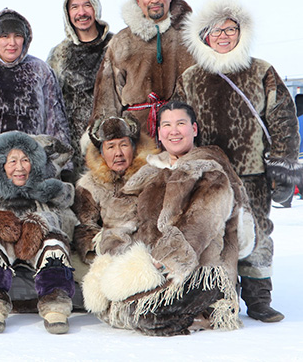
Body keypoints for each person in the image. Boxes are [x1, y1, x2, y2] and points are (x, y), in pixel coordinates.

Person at [174, 0, 300, 322]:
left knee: (258, 233)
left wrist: (283, 162)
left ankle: (259, 299)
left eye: (231, 29)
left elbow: (283, 118)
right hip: (209, 175)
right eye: (218, 30)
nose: (225, 35)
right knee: (215, 236)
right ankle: (218, 295)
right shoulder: (190, 78)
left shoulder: (262, 71)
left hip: (253, 174)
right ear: (206, 35)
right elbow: (180, 122)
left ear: (242, 33)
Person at [82, 102, 253, 336]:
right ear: (159, 133)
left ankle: (201, 306)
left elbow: (197, 226)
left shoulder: (211, 170)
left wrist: (164, 263)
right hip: (154, 265)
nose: (174, 131)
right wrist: (117, 256)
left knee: (148, 317)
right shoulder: (151, 170)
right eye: (167, 125)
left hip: (198, 268)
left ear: (194, 129)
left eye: (180, 124)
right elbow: (118, 217)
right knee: (107, 305)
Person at [0, 131, 77, 334]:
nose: (19, 167)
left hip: (36, 248)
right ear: (2, 165)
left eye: (25, 160)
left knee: (54, 245)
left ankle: (55, 305)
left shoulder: (47, 190)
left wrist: (41, 224)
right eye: (12, 161)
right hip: (4, 244)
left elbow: (69, 219)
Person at [91, 0, 194, 138]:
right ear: (138, 0)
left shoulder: (190, 36)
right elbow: (108, 96)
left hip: (180, 133)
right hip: (137, 134)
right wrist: (109, 136)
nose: (154, 0)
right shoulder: (122, 41)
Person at [0, 8, 71, 147]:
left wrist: (61, 164)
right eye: (4, 36)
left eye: (18, 35)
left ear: (25, 39)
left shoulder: (40, 69)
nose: (12, 43)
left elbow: (56, 121)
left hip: (32, 162)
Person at [47, 0, 114, 180]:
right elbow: (51, 106)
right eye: (74, 7)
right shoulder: (59, 54)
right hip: (72, 152)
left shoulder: (116, 46)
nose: (81, 12)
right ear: (67, 13)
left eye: (87, 5)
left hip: (110, 145)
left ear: (96, 8)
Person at [72, 115, 158, 269]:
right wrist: (102, 245)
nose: (118, 153)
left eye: (123, 145)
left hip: (150, 251)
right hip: (111, 253)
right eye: (111, 147)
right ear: (102, 153)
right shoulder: (89, 185)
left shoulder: (152, 176)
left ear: (134, 148)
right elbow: (84, 227)